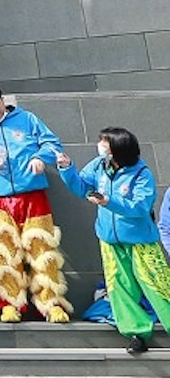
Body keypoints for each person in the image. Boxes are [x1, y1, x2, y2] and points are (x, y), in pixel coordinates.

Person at [0, 81, 71, 324]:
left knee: (42, 250)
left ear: (3, 99)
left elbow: (52, 143)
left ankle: (51, 304)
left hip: (33, 195)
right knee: (4, 253)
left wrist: (39, 157)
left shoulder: (28, 119)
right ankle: (10, 303)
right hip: (0, 200)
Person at [58, 127, 165, 355]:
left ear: (118, 148)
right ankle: (136, 333)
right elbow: (81, 187)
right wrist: (67, 169)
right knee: (119, 287)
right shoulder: (99, 165)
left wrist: (109, 201)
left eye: (105, 143)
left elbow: (140, 206)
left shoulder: (141, 173)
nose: (101, 146)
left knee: (158, 285)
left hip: (140, 241)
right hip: (109, 240)